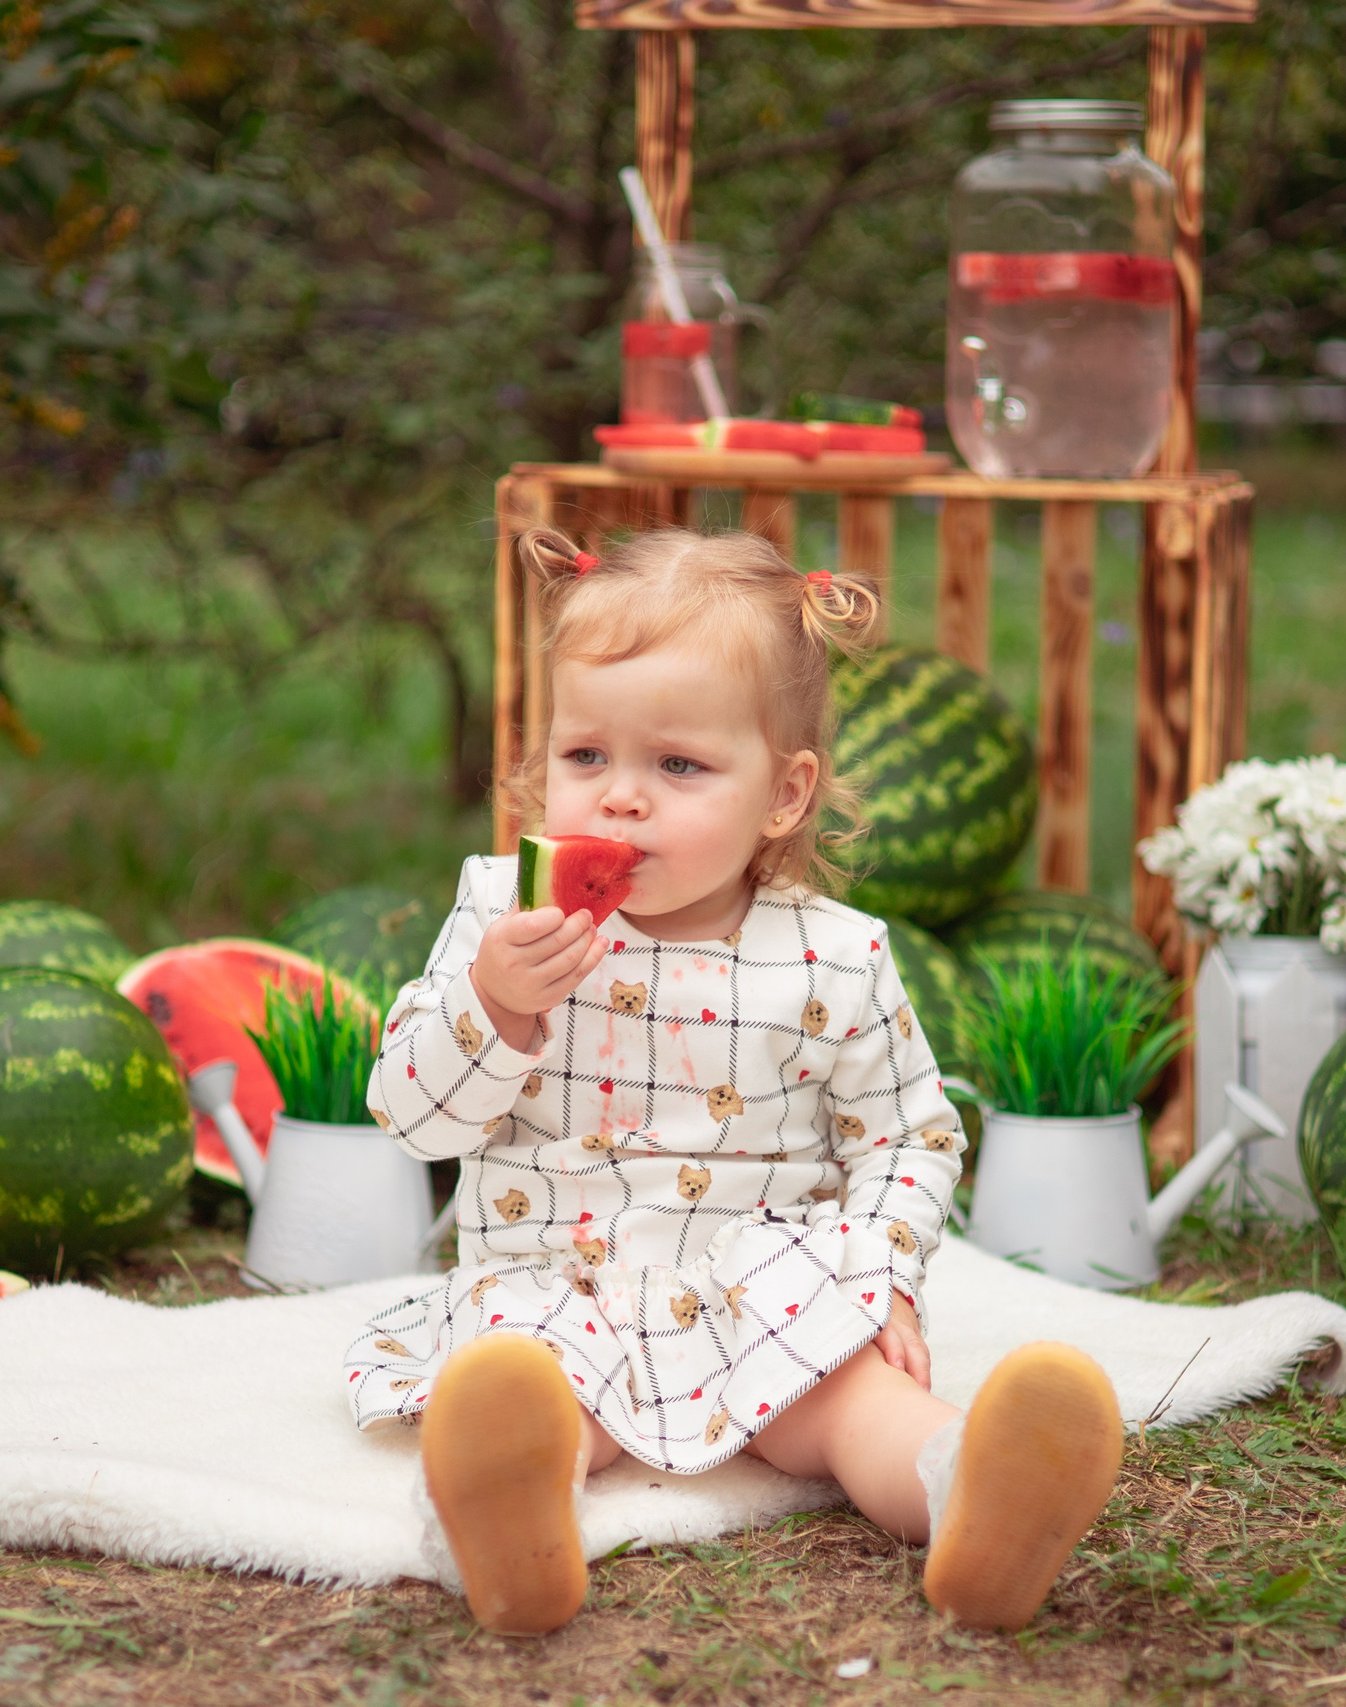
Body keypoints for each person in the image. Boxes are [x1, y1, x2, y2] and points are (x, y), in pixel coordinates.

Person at [345, 525, 1122, 1636]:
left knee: (853, 1403)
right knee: (534, 1397)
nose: (618, 801)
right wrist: (496, 1004)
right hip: (555, 1283)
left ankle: (971, 1495)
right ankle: (505, 1523)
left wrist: (883, 1273)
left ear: (784, 793)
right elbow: (411, 1119)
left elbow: (909, 1135)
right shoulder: (499, 918)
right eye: (585, 758)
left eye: (677, 766)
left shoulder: (836, 955)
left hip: (763, 1287)